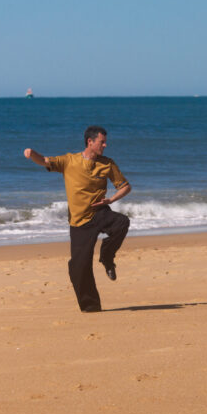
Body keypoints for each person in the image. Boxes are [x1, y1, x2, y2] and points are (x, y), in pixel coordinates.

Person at [24, 126, 132, 312]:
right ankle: (91, 307)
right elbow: (43, 160)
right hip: (79, 222)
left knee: (122, 222)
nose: (105, 145)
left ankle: (107, 258)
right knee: (79, 267)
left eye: (105, 142)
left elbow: (125, 186)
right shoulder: (69, 161)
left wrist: (111, 199)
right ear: (90, 142)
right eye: (102, 142)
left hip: (100, 213)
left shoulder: (107, 164)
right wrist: (31, 154)